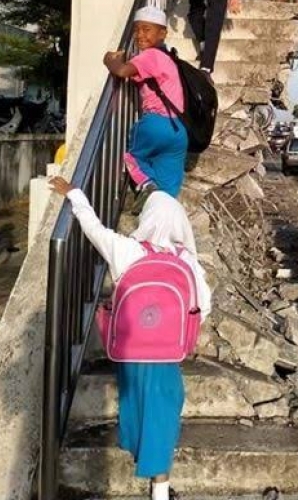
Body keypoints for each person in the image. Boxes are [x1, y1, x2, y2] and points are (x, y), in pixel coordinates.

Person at [49, 176, 211, 500]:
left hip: (131, 354)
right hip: (167, 358)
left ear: (147, 218)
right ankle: (160, 491)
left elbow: (94, 229)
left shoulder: (127, 251)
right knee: (163, 420)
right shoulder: (187, 262)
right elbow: (203, 307)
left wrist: (76, 194)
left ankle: (152, 478)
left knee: (136, 412)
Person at [103, 5, 187, 211]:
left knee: (133, 156)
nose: (140, 35)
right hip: (178, 131)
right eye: (137, 29)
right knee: (168, 192)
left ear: (163, 33)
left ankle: (146, 185)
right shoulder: (169, 58)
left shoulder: (150, 56)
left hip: (155, 123)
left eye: (146, 29)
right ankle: (161, 223)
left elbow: (122, 71)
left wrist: (109, 60)